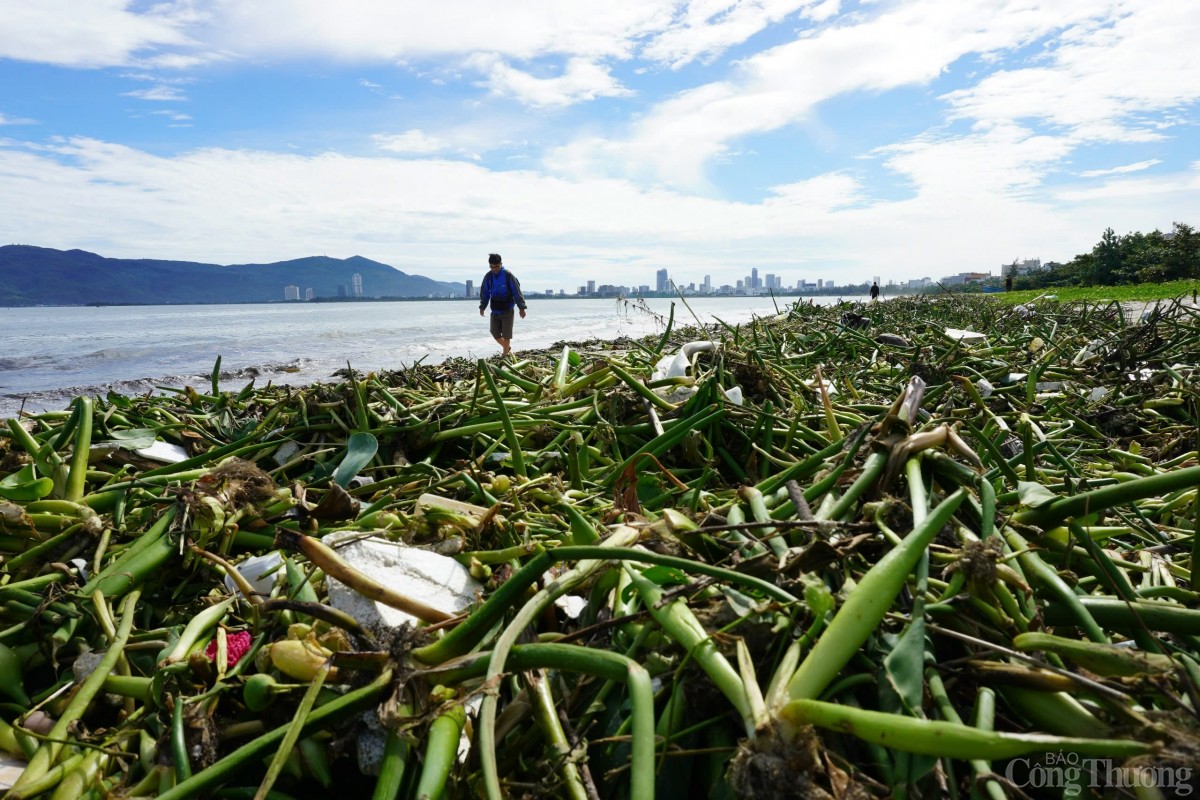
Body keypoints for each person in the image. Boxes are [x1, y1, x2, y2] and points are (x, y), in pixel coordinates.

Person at [478, 253, 527, 356]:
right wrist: (482, 306)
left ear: (501, 264)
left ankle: (505, 355)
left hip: (507, 309)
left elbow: (516, 291)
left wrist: (521, 308)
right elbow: (485, 292)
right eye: (492, 267)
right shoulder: (488, 276)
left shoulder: (508, 275)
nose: (494, 269)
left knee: (506, 335)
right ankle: (507, 347)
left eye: (497, 266)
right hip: (495, 310)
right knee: (494, 332)